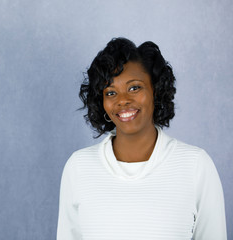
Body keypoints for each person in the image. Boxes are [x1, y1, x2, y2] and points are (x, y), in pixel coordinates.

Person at [57, 38, 227, 240]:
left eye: (134, 88)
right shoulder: (78, 167)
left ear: (156, 90)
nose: (122, 100)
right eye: (111, 92)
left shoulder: (196, 165)